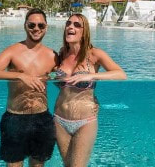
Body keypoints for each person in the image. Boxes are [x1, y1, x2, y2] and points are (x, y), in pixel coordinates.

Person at [0, 8, 57, 167]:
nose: (36, 29)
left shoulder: (53, 55)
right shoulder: (12, 51)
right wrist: (20, 75)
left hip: (42, 118)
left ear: (46, 27)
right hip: (15, 117)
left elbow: (64, 77)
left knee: (38, 165)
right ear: (25, 26)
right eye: (32, 25)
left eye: (41, 25)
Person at [53, 13, 127, 167]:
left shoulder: (94, 54)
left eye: (77, 25)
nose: (70, 27)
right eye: (68, 23)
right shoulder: (62, 53)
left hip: (84, 121)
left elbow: (121, 74)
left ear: (84, 31)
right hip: (59, 119)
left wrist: (90, 76)